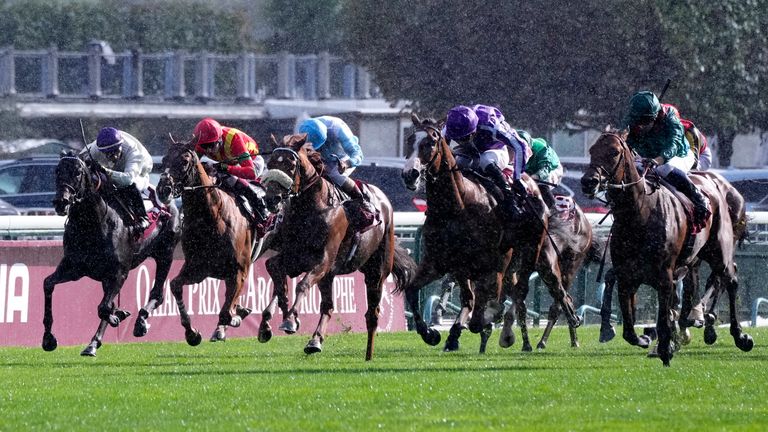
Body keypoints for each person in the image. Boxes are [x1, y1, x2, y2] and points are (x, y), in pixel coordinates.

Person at [624, 91, 711, 232]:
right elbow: (624, 138)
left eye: (643, 122)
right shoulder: (636, 116)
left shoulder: (670, 116)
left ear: (655, 117)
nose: (638, 126)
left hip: (679, 154)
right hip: (650, 157)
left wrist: (658, 160)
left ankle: (699, 199)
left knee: (664, 168)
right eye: (637, 121)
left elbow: (674, 144)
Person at [444, 104, 530, 218]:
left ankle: (510, 201)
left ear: (474, 130)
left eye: (464, 138)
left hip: (496, 149)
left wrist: (517, 178)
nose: (460, 141)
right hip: (470, 150)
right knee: (458, 163)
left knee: (485, 160)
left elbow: (521, 146)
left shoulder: (492, 125)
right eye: (457, 139)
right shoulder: (450, 127)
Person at [298, 116, 378, 231]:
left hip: (341, 159)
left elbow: (357, 154)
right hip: (317, 157)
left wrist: (347, 163)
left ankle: (362, 201)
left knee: (334, 174)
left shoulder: (338, 129)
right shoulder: (306, 129)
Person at [193, 118, 268, 222]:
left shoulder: (234, 140)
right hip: (229, 162)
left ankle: (258, 203)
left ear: (219, 139)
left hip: (252, 163)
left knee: (225, 175)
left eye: (211, 145)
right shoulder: (202, 142)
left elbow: (251, 173)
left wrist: (226, 168)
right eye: (204, 146)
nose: (208, 150)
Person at [80, 127, 151, 231]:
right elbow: (80, 160)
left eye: (113, 153)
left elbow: (128, 179)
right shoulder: (96, 147)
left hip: (141, 170)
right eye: (106, 154)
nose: (110, 157)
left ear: (120, 147)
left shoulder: (134, 153)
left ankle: (142, 217)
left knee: (131, 185)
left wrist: (106, 171)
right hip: (117, 168)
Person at [518, 130, 563, 210]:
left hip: (551, 169)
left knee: (541, 184)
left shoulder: (541, 148)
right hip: (529, 171)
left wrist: (535, 177)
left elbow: (545, 169)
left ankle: (553, 212)